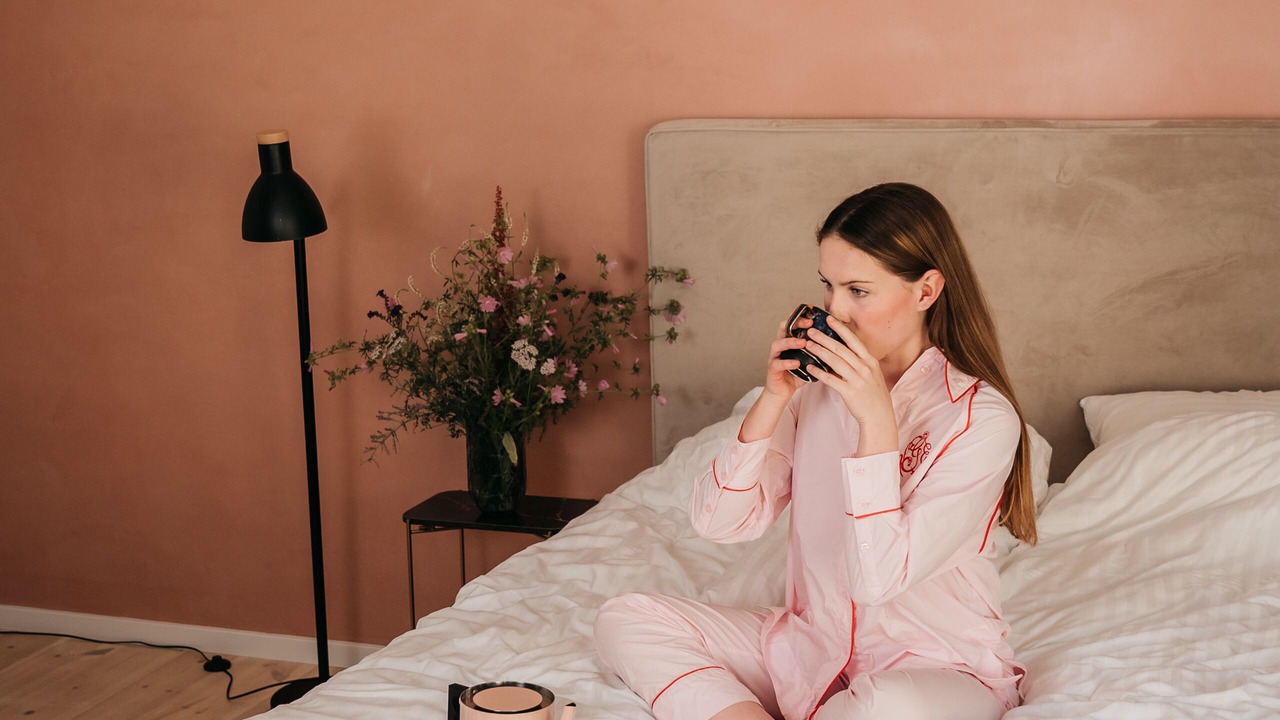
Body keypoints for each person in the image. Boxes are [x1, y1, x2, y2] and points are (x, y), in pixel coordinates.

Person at [594, 183, 1037, 720]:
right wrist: (773, 398)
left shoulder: (980, 418)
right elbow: (719, 523)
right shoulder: (815, 393)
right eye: (828, 287)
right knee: (627, 617)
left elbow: (878, 581)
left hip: (936, 670)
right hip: (811, 650)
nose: (836, 311)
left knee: (883, 704)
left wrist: (876, 419)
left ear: (926, 291)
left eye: (859, 290)